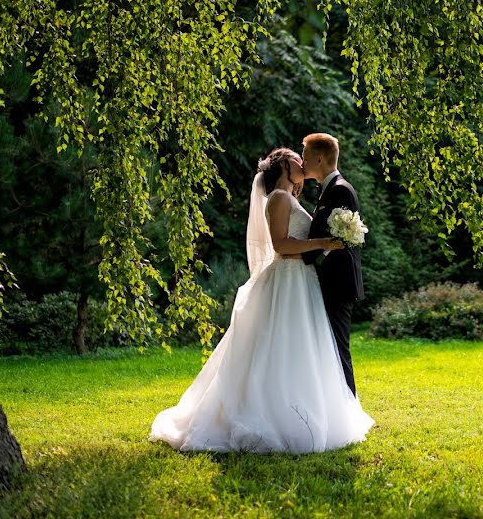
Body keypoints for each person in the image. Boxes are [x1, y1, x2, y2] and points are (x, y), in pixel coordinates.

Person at [149, 147, 374, 453]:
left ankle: (304, 409)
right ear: (283, 165)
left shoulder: (289, 197)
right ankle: (272, 413)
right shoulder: (280, 198)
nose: (302, 163)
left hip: (301, 280)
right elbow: (281, 244)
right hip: (287, 278)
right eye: (297, 159)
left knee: (299, 349)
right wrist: (323, 242)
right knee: (280, 347)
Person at [300, 133, 363, 396]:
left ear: (319, 158)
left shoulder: (339, 190)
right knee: (330, 347)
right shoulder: (328, 189)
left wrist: (311, 254)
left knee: (338, 347)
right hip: (329, 281)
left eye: (304, 156)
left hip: (338, 282)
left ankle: (350, 409)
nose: (302, 162)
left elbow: (343, 240)